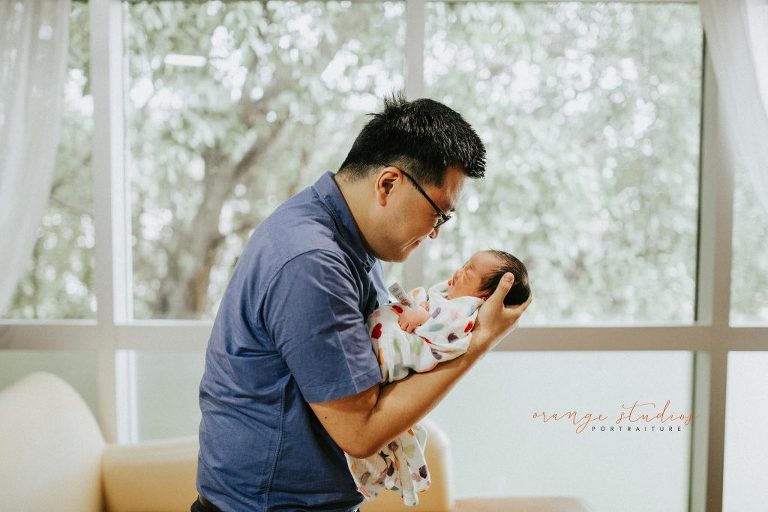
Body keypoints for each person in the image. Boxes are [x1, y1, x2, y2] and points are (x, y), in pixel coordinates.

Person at [193, 94, 532, 512]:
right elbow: (361, 431)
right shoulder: (313, 261)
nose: (435, 233)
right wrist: (479, 340)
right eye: (438, 214)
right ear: (388, 184)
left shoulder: (348, 240)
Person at [346, 250, 530, 505]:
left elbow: (447, 337)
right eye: (465, 264)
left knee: (364, 432)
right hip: (375, 340)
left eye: (469, 272)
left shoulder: (464, 310)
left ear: (484, 296)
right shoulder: (448, 295)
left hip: (388, 355)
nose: (459, 271)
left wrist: (422, 318)